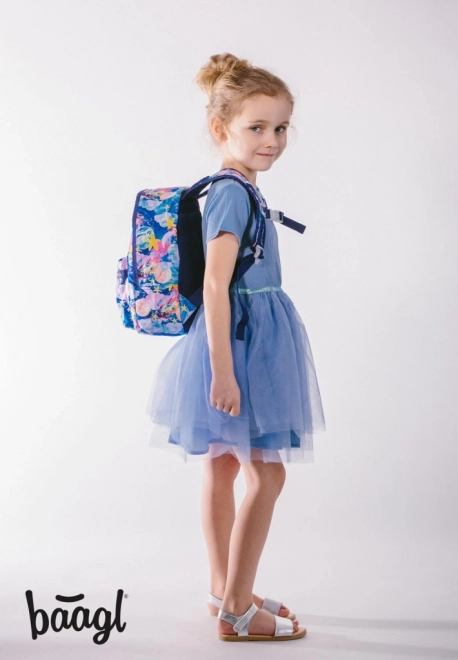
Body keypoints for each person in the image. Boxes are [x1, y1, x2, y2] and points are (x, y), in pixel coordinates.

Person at [145, 52, 326, 642]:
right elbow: (215, 285)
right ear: (220, 128)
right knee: (266, 477)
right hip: (241, 345)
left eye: (281, 127)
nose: (271, 140)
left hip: (245, 338)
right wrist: (223, 372)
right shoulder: (232, 193)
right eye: (257, 127)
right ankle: (238, 614)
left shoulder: (240, 187)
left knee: (224, 466)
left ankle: (226, 590)